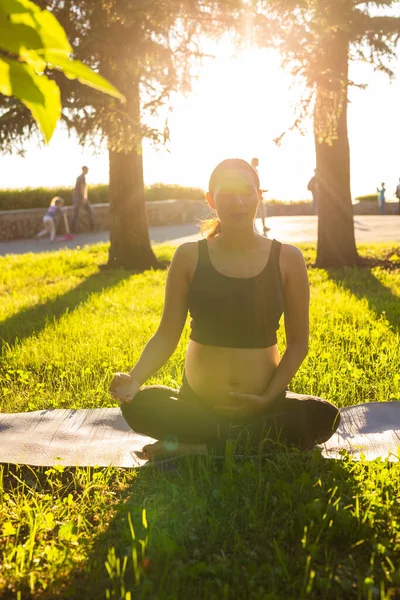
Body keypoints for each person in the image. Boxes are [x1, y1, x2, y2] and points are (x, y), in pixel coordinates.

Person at [109, 158, 340, 459]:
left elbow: (298, 344)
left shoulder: (288, 259)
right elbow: (166, 335)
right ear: (211, 199)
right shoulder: (188, 257)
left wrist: (266, 398)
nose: (239, 202)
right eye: (227, 192)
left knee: (326, 417)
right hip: (197, 406)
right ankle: (238, 443)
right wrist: (134, 378)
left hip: (263, 406)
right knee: (141, 405)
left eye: (247, 192)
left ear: (259, 197)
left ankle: (201, 446)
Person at [71, 166, 94, 233]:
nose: (87, 171)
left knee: (75, 214)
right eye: (86, 170)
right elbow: (82, 187)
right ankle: (92, 228)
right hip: (79, 198)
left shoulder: (79, 177)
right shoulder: (82, 178)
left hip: (76, 197)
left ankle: (73, 230)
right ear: (84, 170)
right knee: (89, 211)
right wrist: (84, 198)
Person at [251, 157, 269, 235]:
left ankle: (262, 226)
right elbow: (253, 184)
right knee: (260, 210)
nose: (258, 163)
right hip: (255, 194)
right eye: (257, 161)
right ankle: (257, 227)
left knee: (260, 210)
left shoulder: (253, 169)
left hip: (255, 193)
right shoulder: (253, 170)